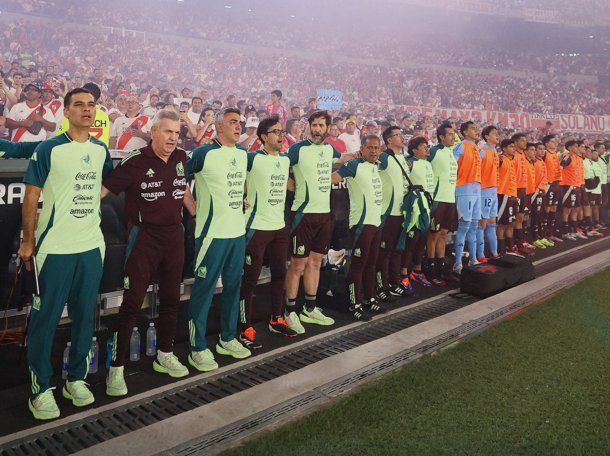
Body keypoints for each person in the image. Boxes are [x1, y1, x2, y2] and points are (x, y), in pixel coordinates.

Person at [18, 88, 113, 419]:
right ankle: (40, 390)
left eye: (91, 105)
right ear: (67, 113)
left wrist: (88, 204)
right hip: (55, 250)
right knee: (46, 321)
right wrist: (28, 241)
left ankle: (76, 380)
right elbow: (31, 197)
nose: (87, 110)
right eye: (79, 105)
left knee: (86, 317)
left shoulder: (101, 150)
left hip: (90, 248)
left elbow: (109, 184)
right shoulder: (50, 148)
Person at [102, 110, 196, 397]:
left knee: (171, 299)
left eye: (177, 133)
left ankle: (164, 354)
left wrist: (197, 214)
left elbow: (182, 190)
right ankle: (115, 369)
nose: (173, 138)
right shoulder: (135, 161)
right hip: (144, 237)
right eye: (167, 132)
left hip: (174, 236)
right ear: (153, 132)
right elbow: (104, 190)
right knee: (132, 303)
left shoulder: (181, 157)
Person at [186, 108, 251, 372]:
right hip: (212, 235)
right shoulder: (203, 153)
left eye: (240, 123)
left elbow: (239, 185)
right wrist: (193, 209)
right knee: (204, 290)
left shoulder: (242, 154)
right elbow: (178, 179)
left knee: (233, 288)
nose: (238, 127)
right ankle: (197, 348)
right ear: (219, 127)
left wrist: (240, 200)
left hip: (237, 233)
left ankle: (227, 338)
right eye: (233, 122)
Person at [284, 110, 350, 333]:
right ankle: (289, 311)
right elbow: (279, 169)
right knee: (297, 265)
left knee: (315, 262)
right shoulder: (297, 149)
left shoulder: (328, 148)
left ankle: (310, 308)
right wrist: (293, 187)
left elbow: (340, 158)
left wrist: (358, 155)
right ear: (309, 126)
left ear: (328, 128)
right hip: (303, 215)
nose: (317, 129)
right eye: (314, 125)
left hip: (324, 214)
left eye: (321, 125)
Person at [238, 115, 296, 350]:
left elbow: (288, 184)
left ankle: (276, 318)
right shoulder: (252, 159)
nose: (281, 135)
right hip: (256, 228)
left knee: (280, 275)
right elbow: (236, 177)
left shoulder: (284, 160)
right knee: (249, 280)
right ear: (263, 137)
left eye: (282, 131)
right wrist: (241, 197)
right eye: (276, 132)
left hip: (279, 227)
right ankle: (244, 326)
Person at [331, 134, 386, 321]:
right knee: (357, 266)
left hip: (376, 222)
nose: (373, 151)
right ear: (361, 149)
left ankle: (369, 298)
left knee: (371, 264)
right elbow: (333, 178)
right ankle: (353, 303)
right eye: (369, 147)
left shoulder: (376, 166)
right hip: (361, 224)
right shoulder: (355, 165)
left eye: (376, 148)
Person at [376, 126, 412, 300]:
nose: (401, 137)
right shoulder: (384, 157)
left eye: (401, 134)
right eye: (397, 135)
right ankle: (381, 286)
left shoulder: (403, 158)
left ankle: (394, 282)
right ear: (389, 140)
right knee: (384, 252)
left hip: (401, 212)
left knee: (397, 250)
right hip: (387, 212)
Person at [426, 123, 458, 282]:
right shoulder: (434, 151)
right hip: (438, 200)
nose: (453, 137)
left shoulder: (451, 152)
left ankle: (441, 267)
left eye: (454, 134)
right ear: (441, 137)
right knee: (433, 235)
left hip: (451, 199)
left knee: (443, 234)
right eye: (450, 134)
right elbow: (414, 160)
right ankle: (430, 270)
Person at [401, 136, 435, 286]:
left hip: (427, 208)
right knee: (411, 242)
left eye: (427, 145)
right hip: (414, 209)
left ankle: (417, 271)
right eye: (423, 146)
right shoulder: (410, 162)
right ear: (414, 150)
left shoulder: (427, 164)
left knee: (422, 241)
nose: (427, 148)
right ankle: (404, 274)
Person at [452, 121, 484, 274]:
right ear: (464, 132)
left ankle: (473, 259)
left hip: (477, 188)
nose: (476, 130)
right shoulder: (461, 146)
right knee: (464, 226)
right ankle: (457, 263)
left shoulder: (476, 148)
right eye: (472, 128)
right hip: (464, 189)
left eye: (476, 128)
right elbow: (453, 165)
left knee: (474, 226)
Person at [477, 125, 500, 261]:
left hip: (493, 190)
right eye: (494, 133)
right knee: (482, 223)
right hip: (484, 190)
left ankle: (495, 253)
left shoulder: (495, 151)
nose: (497, 136)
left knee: (492, 222)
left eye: (497, 133)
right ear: (486, 136)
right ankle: (480, 255)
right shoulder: (482, 151)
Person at [511, 133, 536, 254]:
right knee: (515, 218)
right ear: (515, 142)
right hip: (515, 190)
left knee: (522, 217)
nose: (524, 143)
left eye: (525, 140)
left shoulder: (523, 156)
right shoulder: (513, 155)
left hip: (524, 190)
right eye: (522, 140)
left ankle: (520, 242)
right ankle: (514, 244)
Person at [496, 139, 519, 255]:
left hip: (513, 195)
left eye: (513, 146)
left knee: (511, 223)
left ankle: (511, 248)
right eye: (511, 146)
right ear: (504, 149)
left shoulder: (511, 160)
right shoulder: (500, 159)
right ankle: (501, 250)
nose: (513, 148)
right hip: (503, 195)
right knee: (502, 224)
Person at [559, 140, 584, 241]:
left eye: (577, 146)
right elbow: (560, 168)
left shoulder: (578, 158)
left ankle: (574, 231)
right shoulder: (567, 157)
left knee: (576, 209)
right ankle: (565, 232)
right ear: (569, 147)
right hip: (568, 187)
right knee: (567, 210)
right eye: (575, 146)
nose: (577, 147)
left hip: (577, 186)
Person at [541, 135, 564, 243]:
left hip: (556, 184)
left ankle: (550, 233)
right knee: (546, 209)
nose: (555, 143)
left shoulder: (554, 154)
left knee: (553, 209)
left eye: (555, 141)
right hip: (548, 184)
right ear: (546, 144)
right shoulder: (544, 153)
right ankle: (543, 234)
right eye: (552, 141)